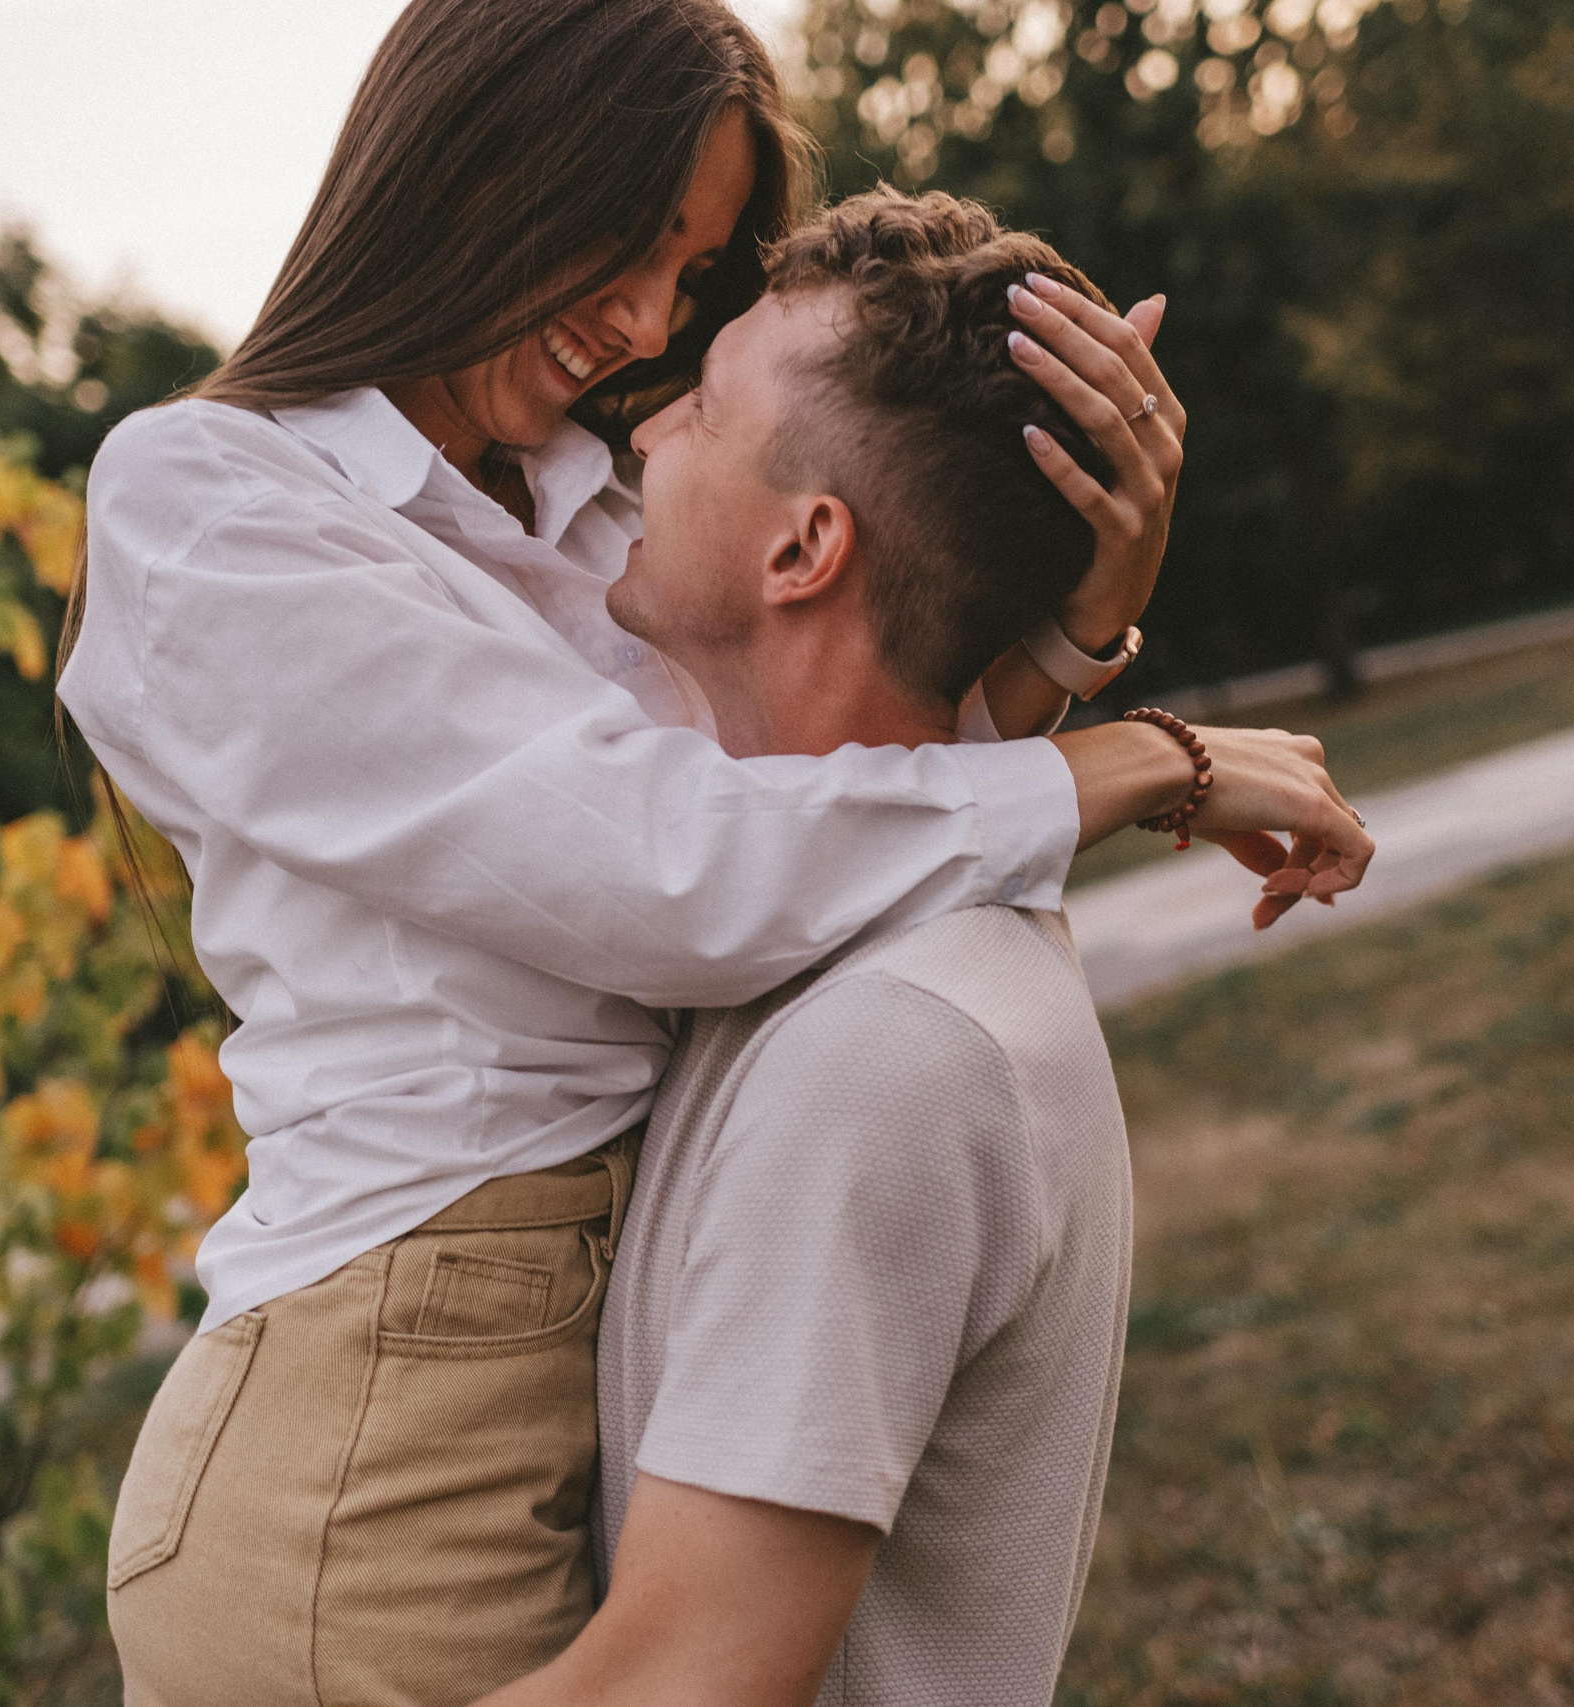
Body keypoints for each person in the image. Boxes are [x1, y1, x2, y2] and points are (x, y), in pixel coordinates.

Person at [66, 4, 1370, 1702]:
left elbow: (806, 798)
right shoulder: (217, 503)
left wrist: (1065, 639)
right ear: (470, 164)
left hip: (544, 1351)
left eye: (689, 279)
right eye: (620, 245)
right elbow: (664, 872)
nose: (644, 328)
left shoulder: (585, 509)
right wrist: (1130, 769)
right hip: (385, 1405)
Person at [481, 188, 1153, 1707]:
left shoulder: (890, 1051)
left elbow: (680, 1684)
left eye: (704, 409)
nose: (640, 437)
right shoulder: (798, 944)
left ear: (804, 550)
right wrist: (1080, 631)